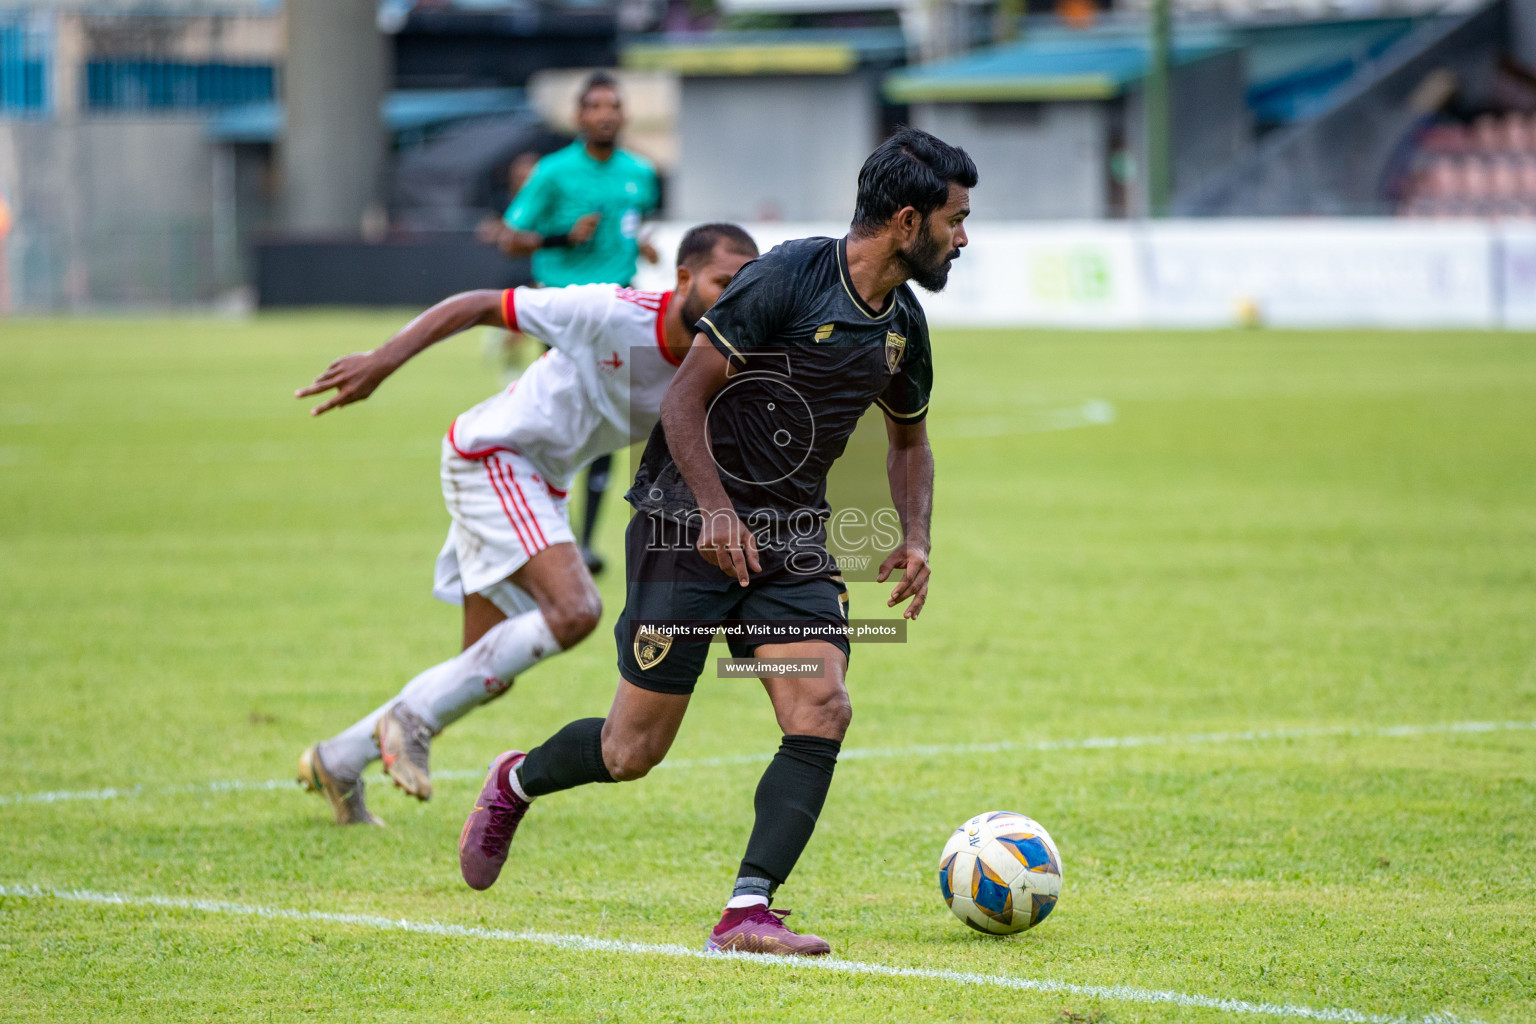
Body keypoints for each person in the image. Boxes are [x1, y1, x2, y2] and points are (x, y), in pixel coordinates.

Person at [456, 127, 977, 957]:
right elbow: (681, 402)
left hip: (794, 538)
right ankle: (515, 780)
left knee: (822, 706)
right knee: (632, 751)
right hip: (681, 528)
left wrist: (915, 536)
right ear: (908, 222)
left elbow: (909, 442)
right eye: (956, 218)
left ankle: (748, 911)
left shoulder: (903, 326)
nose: (964, 237)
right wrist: (715, 511)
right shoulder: (784, 278)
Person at [293, 223, 759, 826]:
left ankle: (338, 760)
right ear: (683, 278)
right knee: (575, 612)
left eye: (744, 286)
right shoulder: (610, 311)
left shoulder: (717, 360)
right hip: (496, 455)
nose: (734, 297)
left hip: (540, 483)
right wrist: (383, 361)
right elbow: (481, 304)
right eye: (724, 282)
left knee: (482, 666)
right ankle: (408, 722)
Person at [482, 70, 661, 575]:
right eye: (595, 106)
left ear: (624, 114)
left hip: (621, 308)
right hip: (564, 314)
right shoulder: (553, 173)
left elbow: (635, 221)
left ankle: (582, 543)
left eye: (614, 106)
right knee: (562, 418)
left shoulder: (640, 172)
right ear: (579, 117)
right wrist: (562, 238)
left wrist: (639, 244)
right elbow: (510, 238)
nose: (606, 115)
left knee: (611, 421)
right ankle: (548, 531)